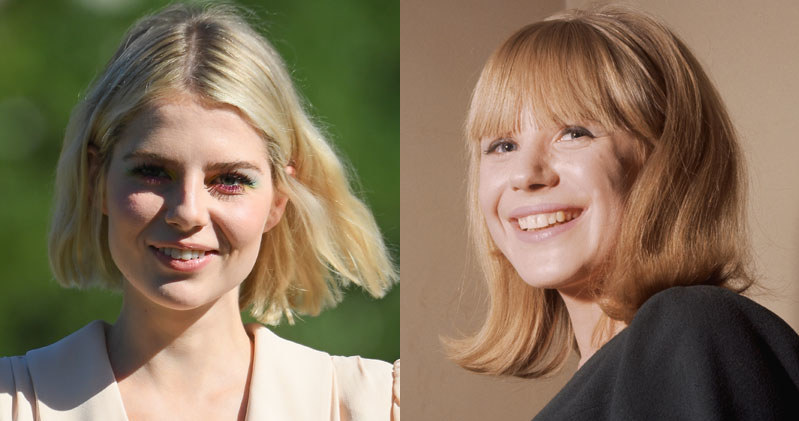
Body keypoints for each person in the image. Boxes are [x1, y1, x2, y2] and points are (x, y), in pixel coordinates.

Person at [0, 3, 399, 420]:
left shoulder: (374, 405)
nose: (188, 212)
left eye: (229, 180)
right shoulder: (12, 402)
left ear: (278, 200)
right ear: (97, 180)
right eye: (153, 172)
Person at [447, 5, 799, 419]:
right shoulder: (611, 380)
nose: (525, 174)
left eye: (574, 132)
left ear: (664, 158)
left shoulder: (692, 330)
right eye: (503, 146)